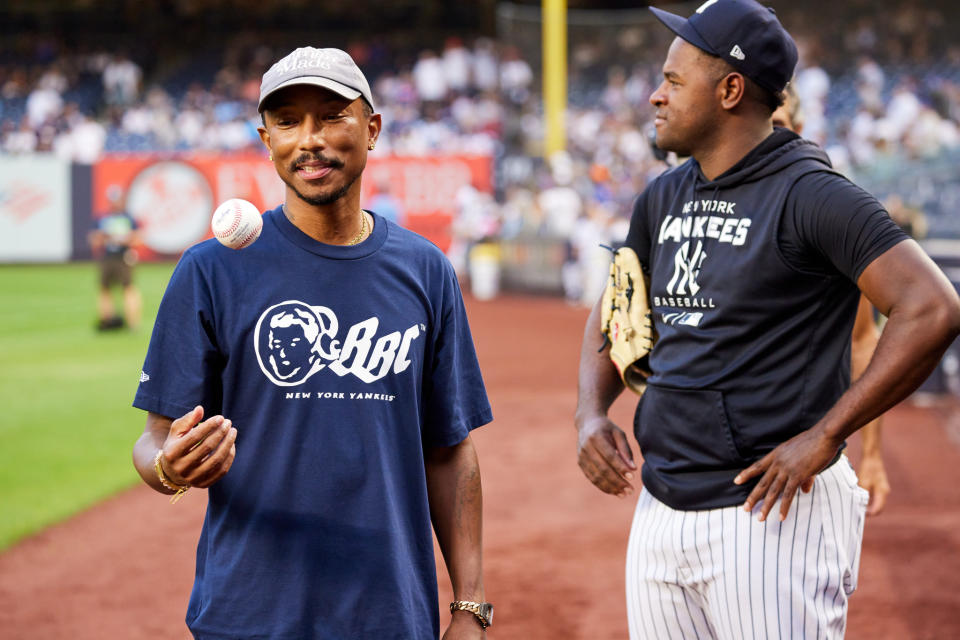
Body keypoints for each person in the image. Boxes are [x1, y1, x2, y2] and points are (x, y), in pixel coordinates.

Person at [574, 2, 960, 638]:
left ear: (730, 91)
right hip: (663, 505)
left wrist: (830, 433)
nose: (653, 96)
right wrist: (590, 411)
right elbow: (617, 307)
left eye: (673, 81)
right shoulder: (663, 195)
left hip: (773, 513)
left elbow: (932, 306)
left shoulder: (812, 192)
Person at [131, 47, 494, 640]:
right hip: (248, 615)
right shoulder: (210, 271)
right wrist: (170, 467)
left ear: (371, 129)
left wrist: (470, 607)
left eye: (330, 116)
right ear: (265, 138)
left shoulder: (425, 271)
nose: (309, 139)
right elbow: (151, 442)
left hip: (389, 617)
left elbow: (450, 449)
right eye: (287, 121)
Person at [772, 84, 891, 516]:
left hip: (798, 471)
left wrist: (871, 453)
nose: (766, 137)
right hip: (691, 472)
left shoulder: (825, 210)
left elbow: (862, 341)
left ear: (800, 129)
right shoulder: (686, 202)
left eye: (779, 126)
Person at [88, 186, 141, 330]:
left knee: (128, 288)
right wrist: (103, 237)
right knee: (105, 289)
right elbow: (93, 239)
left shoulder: (128, 218)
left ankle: (133, 323)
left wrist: (124, 239)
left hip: (123, 256)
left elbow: (137, 238)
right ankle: (107, 320)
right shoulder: (102, 218)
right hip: (107, 256)